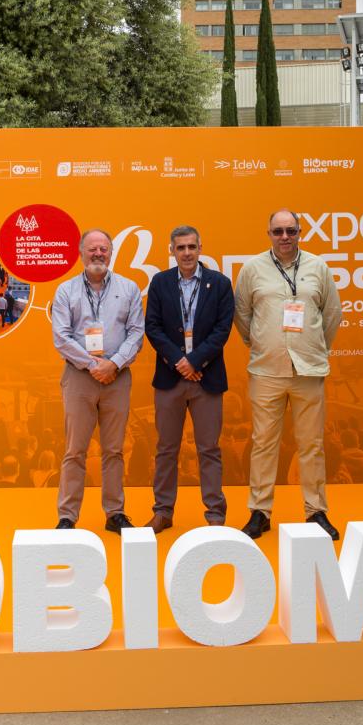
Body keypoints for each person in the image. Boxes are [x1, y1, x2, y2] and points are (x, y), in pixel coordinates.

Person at [233, 209, 344, 540]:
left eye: (291, 231)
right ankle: (260, 511)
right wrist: (260, 342)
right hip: (267, 369)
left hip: (308, 369)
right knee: (263, 444)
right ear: (269, 233)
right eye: (278, 231)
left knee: (312, 445)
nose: (285, 237)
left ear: (300, 232)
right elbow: (242, 315)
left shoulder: (318, 267)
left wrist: (314, 346)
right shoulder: (252, 269)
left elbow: (332, 314)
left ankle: (316, 511)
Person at [50, 228, 144, 532]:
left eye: (103, 249)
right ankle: (67, 516)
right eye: (92, 249)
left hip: (117, 378)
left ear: (111, 253)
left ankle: (115, 513)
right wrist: (94, 365)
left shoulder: (129, 289)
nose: (98, 254)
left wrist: (113, 364)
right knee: (75, 450)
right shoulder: (66, 291)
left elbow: (136, 333)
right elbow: (61, 337)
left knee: (114, 450)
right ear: (81, 253)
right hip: (79, 377)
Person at [143, 225, 234, 532]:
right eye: (180, 248)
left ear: (200, 248)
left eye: (191, 247)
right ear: (172, 251)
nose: (186, 253)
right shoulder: (160, 282)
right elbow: (153, 327)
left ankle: (215, 514)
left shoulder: (219, 284)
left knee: (209, 449)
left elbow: (222, 329)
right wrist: (180, 362)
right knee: (166, 449)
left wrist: (194, 361)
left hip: (206, 378)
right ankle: (163, 512)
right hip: (170, 379)